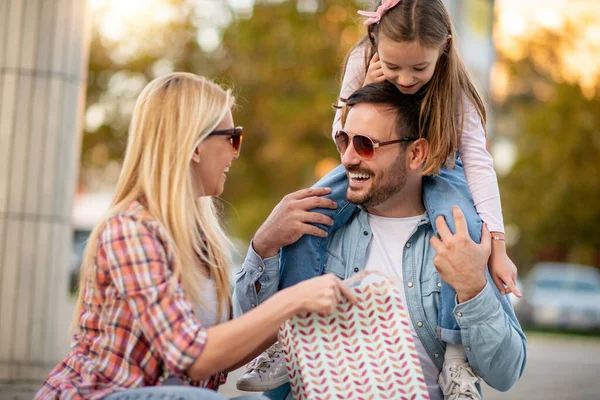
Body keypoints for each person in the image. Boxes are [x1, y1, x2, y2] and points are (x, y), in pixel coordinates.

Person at [237, 1, 521, 398]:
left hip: (447, 168)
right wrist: (264, 246)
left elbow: (479, 161)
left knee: (467, 229)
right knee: (309, 214)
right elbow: (342, 123)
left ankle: (456, 358)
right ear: (375, 41)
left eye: (418, 69)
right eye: (394, 66)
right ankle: (290, 340)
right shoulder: (362, 60)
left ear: (442, 50)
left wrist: (494, 252)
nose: (405, 78)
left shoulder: (454, 89)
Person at [34, 73, 357, 400]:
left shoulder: (201, 240)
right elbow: (192, 357)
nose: (235, 152)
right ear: (196, 146)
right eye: (232, 137)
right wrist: (296, 297)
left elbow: (221, 359)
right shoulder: (129, 229)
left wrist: (301, 311)